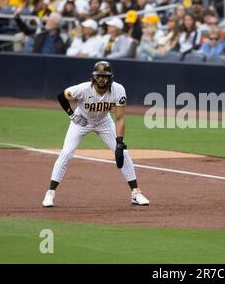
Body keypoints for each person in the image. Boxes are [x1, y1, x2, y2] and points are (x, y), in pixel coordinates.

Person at [42, 61, 150, 208]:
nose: (101, 79)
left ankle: (136, 193)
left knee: (123, 153)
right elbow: (62, 95)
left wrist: (119, 141)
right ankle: (50, 193)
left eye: (104, 76)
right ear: (93, 77)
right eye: (98, 76)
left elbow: (119, 118)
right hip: (82, 121)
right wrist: (72, 116)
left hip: (104, 121)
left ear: (110, 77)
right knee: (66, 153)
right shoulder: (83, 89)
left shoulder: (118, 90)